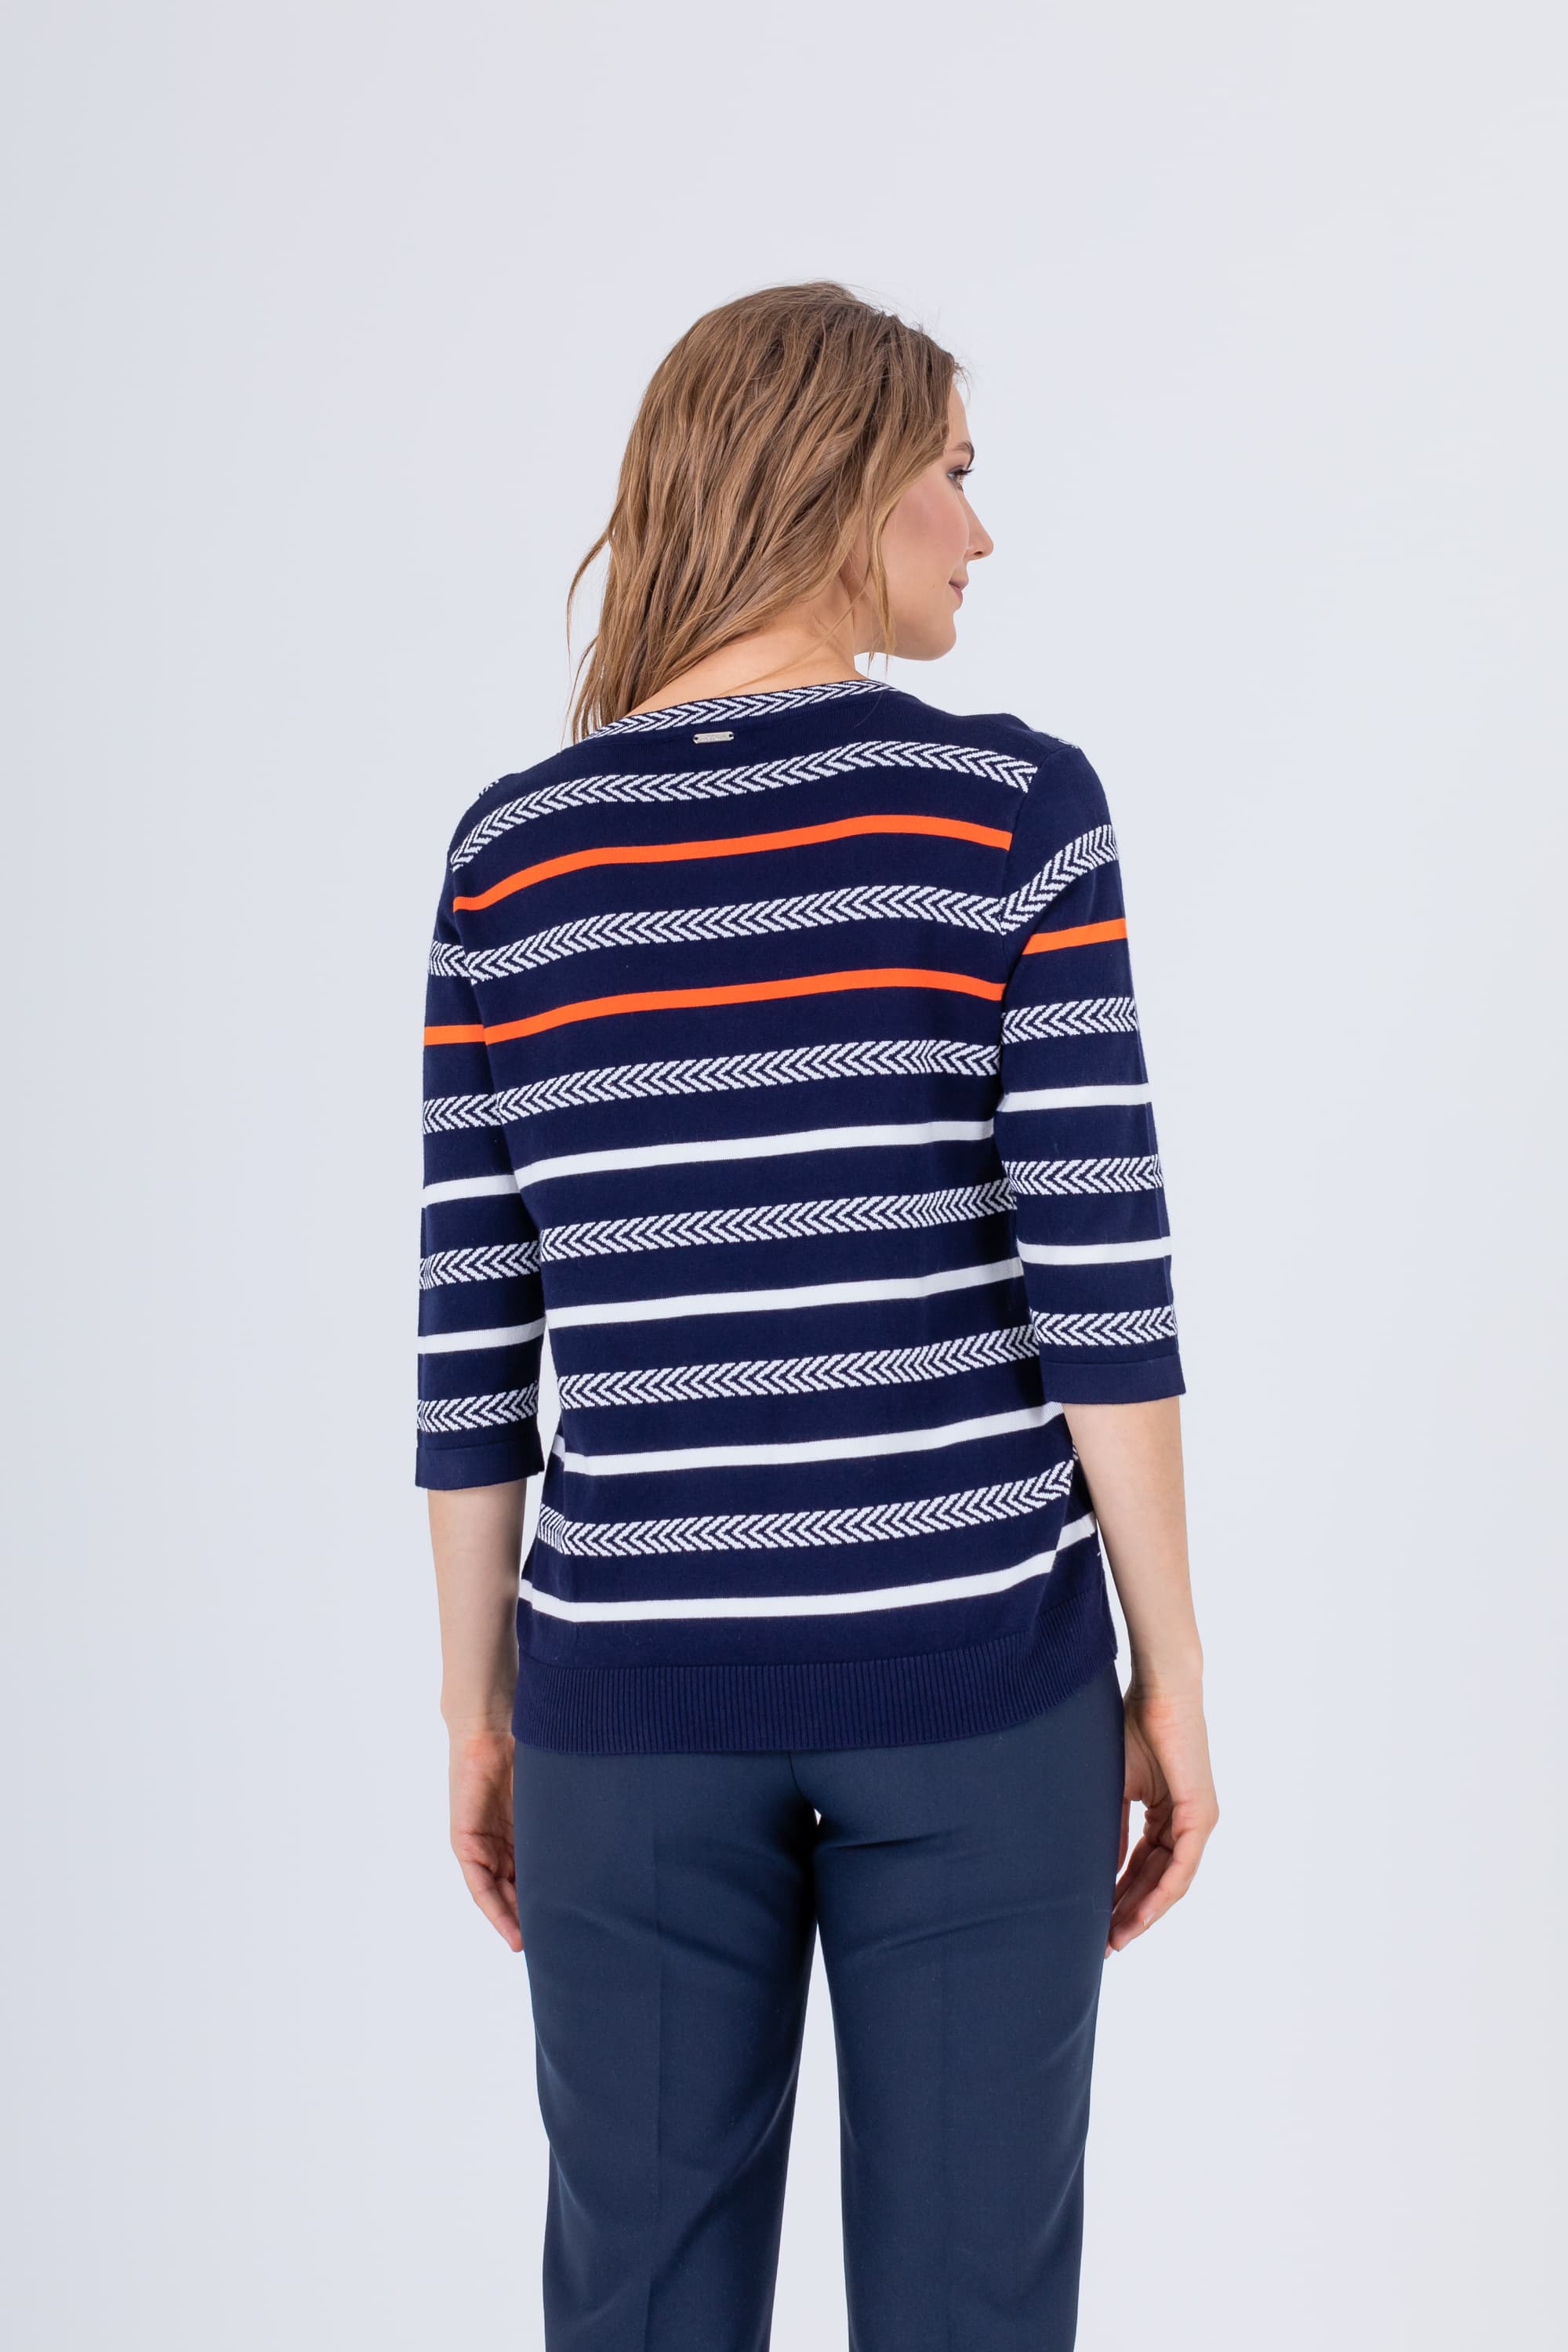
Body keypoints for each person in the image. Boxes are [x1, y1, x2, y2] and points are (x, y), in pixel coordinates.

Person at [418, 281, 1218, 2351]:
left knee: (636, 2311)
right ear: (844, 485)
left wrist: (476, 1705)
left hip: (623, 1708)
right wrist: (1174, 1673)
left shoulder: (511, 858)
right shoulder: (1013, 813)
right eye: (953, 471)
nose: (979, 528)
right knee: (971, 2314)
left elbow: (472, 1342)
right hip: (974, 1686)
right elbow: (1104, 1284)